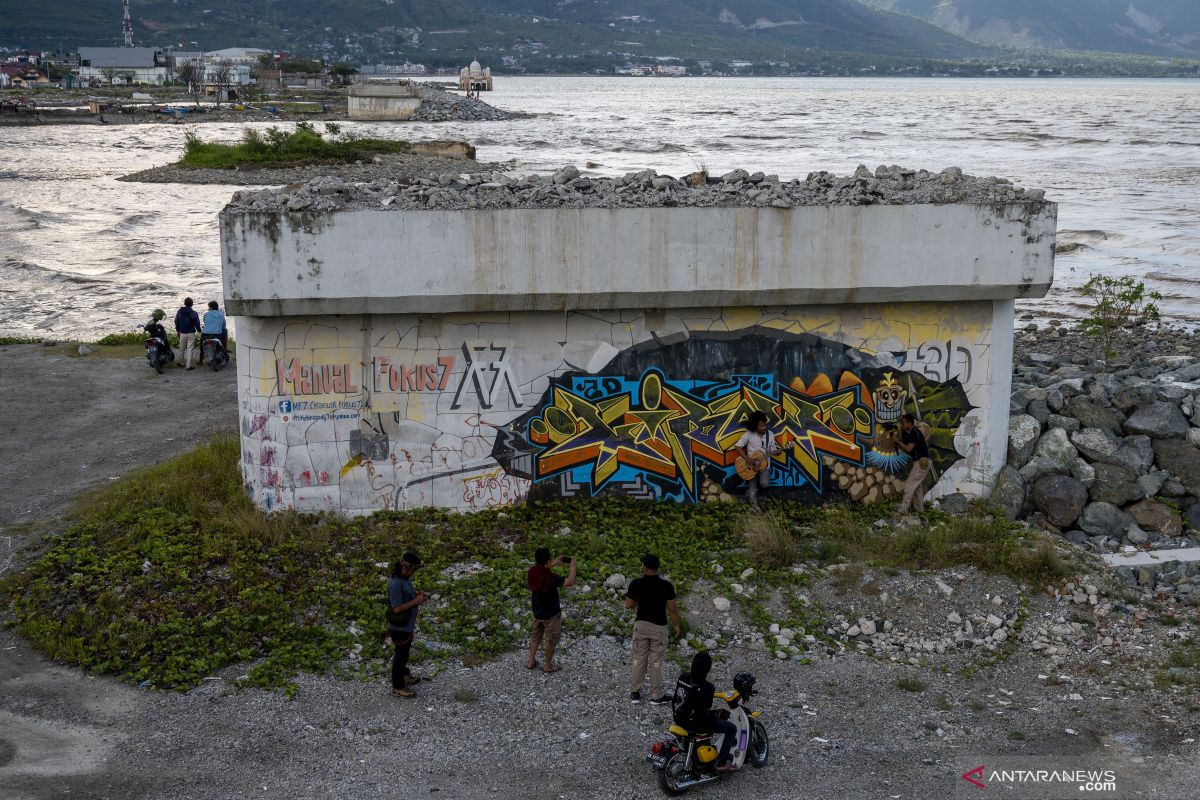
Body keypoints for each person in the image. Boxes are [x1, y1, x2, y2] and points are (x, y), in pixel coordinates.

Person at [625, 553, 680, 705]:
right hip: (659, 627)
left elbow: (628, 605)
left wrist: (639, 602)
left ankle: (635, 692)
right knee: (656, 662)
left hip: (641, 625)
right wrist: (676, 625)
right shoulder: (666, 586)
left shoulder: (636, 583)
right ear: (657, 567)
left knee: (638, 659)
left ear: (645, 567)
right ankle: (656, 695)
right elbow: (672, 609)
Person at [671, 651, 738, 771]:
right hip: (695, 723)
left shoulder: (683, 677)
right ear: (707, 669)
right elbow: (705, 709)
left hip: (678, 717)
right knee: (731, 729)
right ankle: (721, 763)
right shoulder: (708, 687)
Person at [526, 547, 575, 673]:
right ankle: (548, 665)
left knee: (535, 636)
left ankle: (531, 661)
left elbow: (542, 573)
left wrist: (553, 564)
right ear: (547, 561)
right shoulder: (552, 577)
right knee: (550, 640)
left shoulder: (532, 572)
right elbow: (569, 582)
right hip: (551, 615)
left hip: (537, 612)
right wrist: (572, 567)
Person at [387, 553, 429, 698]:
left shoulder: (404, 579)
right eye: (413, 570)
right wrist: (416, 601)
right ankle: (397, 686)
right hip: (399, 627)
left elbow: (405, 595)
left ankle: (404, 675)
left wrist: (415, 595)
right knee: (400, 656)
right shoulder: (396, 583)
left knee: (404, 654)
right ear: (405, 568)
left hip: (407, 626)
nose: (413, 573)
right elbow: (397, 608)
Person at [733, 410, 779, 511]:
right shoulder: (749, 434)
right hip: (751, 465)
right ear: (755, 425)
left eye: (765, 425)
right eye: (761, 426)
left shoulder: (770, 434)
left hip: (764, 465)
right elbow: (738, 446)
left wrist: (776, 451)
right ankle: (755, 507)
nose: (764, 427)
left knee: (764, 484)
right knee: (752, 488)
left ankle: (750, 496)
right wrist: (747, 459)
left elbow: (772, 448)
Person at [895, 413, 931, 514]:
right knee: (917, 488)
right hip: (920, 462)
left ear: (909, 423)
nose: (901, 425)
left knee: (909, 486)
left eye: (903, 423)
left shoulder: (914, 433)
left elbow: (909, 448)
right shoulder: (910, 432)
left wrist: (897, 441)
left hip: (921, 463)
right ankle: (920, 510)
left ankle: (902, 511)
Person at [173, 297, 202, 370]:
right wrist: (199, 330)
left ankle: (181, 363)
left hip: (182, 332)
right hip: (191, 333)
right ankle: (188, 366)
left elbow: (176, 321)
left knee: (181, 348)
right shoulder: (194, 313)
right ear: (192, 304)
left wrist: (178, 330)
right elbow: (197, 323)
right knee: (190, 349)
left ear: (184, 303)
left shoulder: (179, 311)